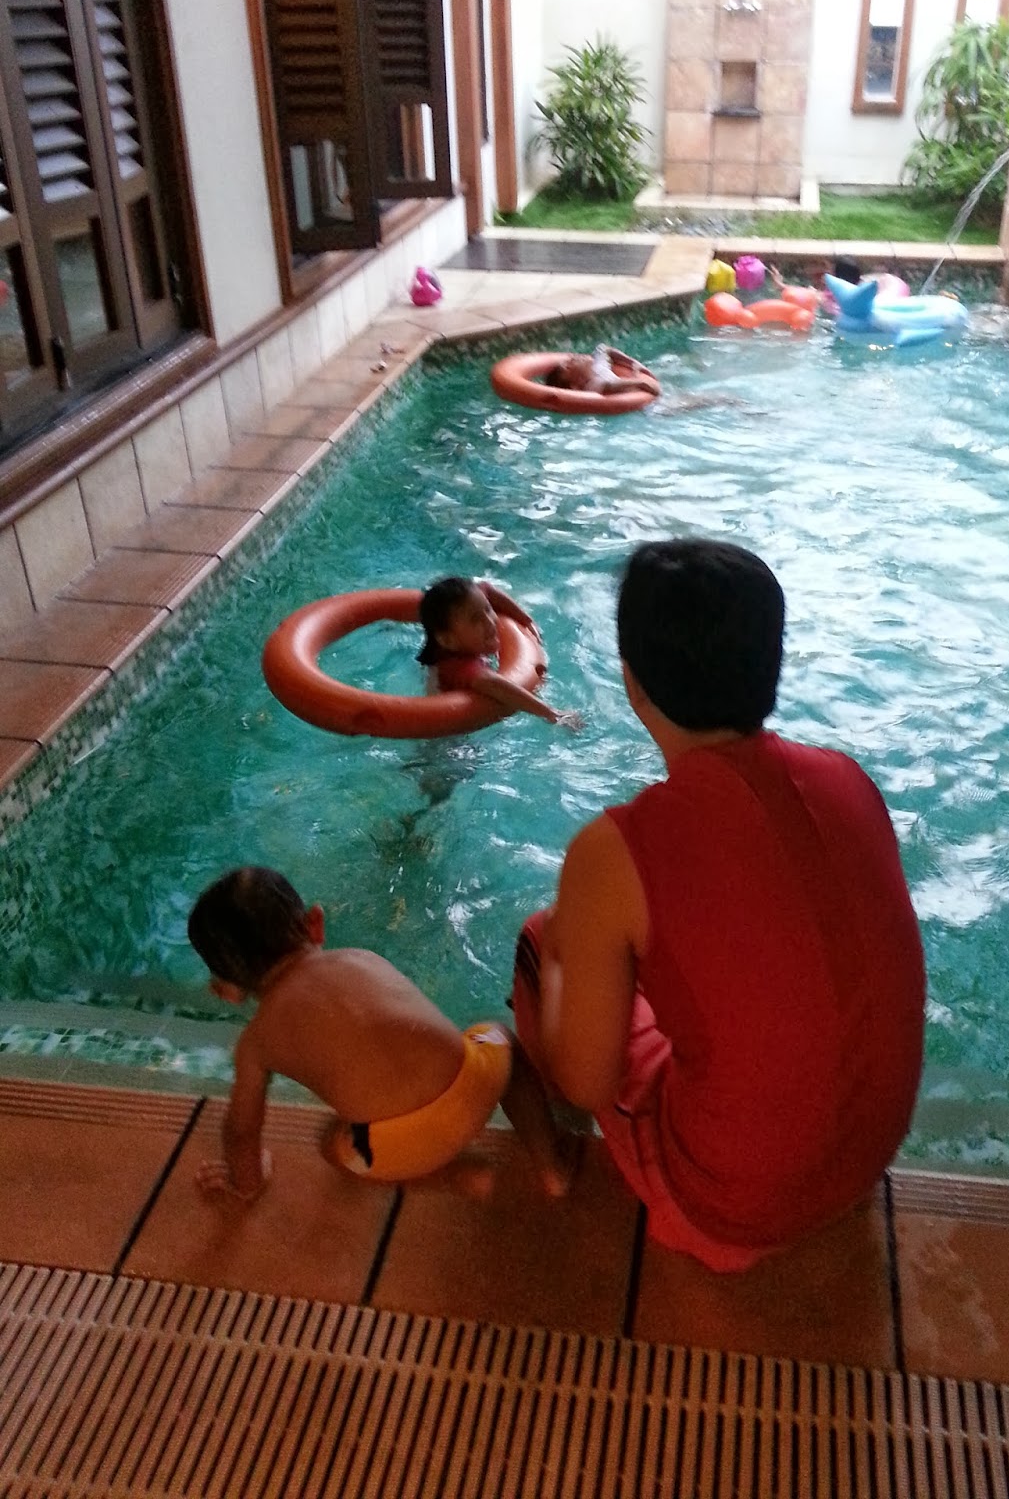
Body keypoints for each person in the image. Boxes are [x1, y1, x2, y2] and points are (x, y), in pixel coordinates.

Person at [510, 538, 926, 1272]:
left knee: (544, 941)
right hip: (869, 1158)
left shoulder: (615, 851)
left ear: (632, 682)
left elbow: (590, 1080)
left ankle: (572, 1161)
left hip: (732, 1205)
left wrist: (570, 957)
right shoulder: (847, 780)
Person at [187, 866, 577, 1202]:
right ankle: (551, 1167)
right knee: (499, 1035)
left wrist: (246, 1183)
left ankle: (456, 1176)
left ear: (227, 990)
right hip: (476, 1083)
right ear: (315, 923)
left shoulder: (257, 1042)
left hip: (396, 1147)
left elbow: (241, 1131)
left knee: (332, 1143)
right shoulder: (360, 958)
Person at [417, 577, 584, 731]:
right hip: (450, 738)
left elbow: (487, 589)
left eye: (488, 609)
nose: (490, 621)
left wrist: (526, 620)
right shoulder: (458, 666)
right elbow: (494, 684)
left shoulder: (462, 641)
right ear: (448, 640)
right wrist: (552, 713)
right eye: (476, 619)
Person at [543, 344, 661, 398]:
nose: (574, 358)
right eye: (568, 366)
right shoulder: (593, 386)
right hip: (647, 409)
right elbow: (610, 385)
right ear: (574, 386)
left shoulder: (598, 367)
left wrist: (632, 362)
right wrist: (640, 382)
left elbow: (602, 348)